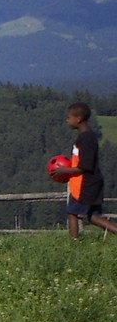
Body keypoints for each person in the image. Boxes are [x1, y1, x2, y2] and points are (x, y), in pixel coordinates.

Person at [50, 102, 117, 239]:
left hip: (85, 184)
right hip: (90, 182)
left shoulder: (86, 139)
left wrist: (64, 171)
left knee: (72, 213)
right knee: (93, 217)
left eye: (69, 117)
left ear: (78, 118)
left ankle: (74, 243)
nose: (67, 120)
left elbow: (84, 167)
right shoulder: (87, 137)